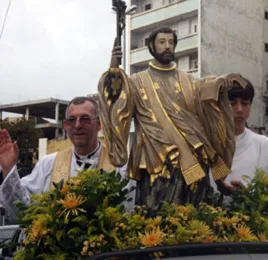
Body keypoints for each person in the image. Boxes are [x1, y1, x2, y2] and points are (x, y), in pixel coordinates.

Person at [98, 26, 246, 215]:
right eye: (161, 42)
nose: (167, 46)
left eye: (170, 42)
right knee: (156, 222)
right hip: (156, 164)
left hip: (194, 162)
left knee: (196, 222)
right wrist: (114, 71)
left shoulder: (190, 82)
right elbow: (117, 101)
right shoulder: (136, 82)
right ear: (151, 46)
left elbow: (209, 95)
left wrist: (221, 84)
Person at [0, 96, 134, 224]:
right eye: (71, 119)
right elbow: (22, 211)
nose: (77, 125)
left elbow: (129, 213)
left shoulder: (120, 165)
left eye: (85, 119)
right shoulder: (48, 164)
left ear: (99, 124)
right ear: (65, 125)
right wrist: (8, 168)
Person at [221, 77, 268, 191]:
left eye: (245, 103)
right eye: (232, 103)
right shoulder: (206, 148)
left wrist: (248, 197)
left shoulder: (267, 147)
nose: (239, 109)